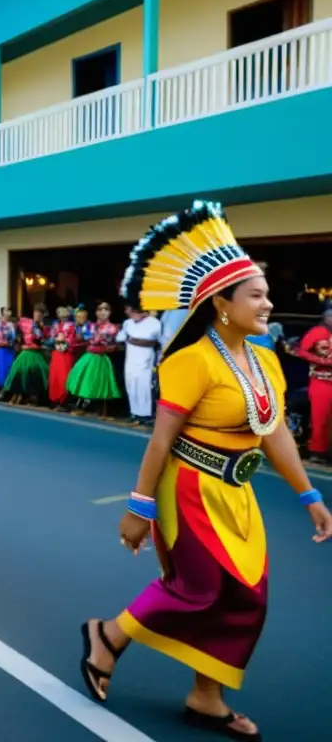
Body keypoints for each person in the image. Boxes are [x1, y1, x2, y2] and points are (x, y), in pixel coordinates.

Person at [79, 201, 332, 740]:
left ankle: (205, 693)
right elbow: (160, 442)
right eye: (256, 294)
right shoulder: (190, 360)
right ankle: (107, 636)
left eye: (266, 292)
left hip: (237, 492)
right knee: (200, 588)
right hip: (188, 486)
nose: (269, 302)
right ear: (221, 302)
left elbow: (275, 433)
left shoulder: (265, 361)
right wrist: (137, 509)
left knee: (248, 595)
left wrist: (309, 495)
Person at [287, 301, 332, 463]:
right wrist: (321, 361)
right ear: (325, 315)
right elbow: (300, 351)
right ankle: (317, 453)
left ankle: (327, 452)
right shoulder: (316, 333)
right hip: (321, 381)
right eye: (330, 314)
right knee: (321, 418)